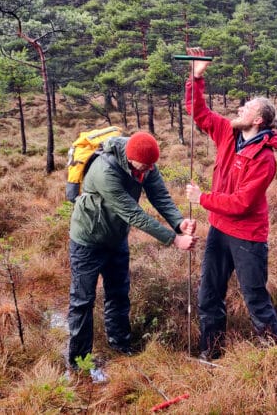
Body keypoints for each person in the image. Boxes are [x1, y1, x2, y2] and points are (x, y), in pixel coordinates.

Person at [184, 46, 277, 361]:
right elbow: (197, 111)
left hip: (247, 235)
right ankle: (210, 354)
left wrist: (201, 199)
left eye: (246, 107)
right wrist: (196, 77)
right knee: (208, 293)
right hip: (219, 229)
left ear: (258, 119)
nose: (240, 109)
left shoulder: (264, 159)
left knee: (255, 297)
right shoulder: (229, 133)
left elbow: (242, 203)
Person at [67, 131, 197, 368]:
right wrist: (174, 239)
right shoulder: (105, 171)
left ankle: (120, 344)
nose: (147, 171)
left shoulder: (146, 163)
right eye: (143, 167)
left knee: (118, 293)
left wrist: (179, 222)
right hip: (88, 242)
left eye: (150, 167)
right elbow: (133, 214)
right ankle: (79, 361)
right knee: (82, 301)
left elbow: (160, 196)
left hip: (116, 239)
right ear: (129, 158)